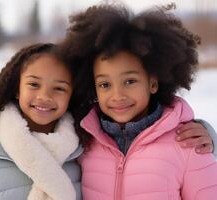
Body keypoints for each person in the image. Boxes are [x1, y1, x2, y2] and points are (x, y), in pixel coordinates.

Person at [60, 4, 217, 199]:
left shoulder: (188, 143)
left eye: (130, 81)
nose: (118, 95)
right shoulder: (83, 141)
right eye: (105, 85)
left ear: (153, 82)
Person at [0, 43, 82, 200]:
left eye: (59, 88)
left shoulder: (83, 154)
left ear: (72, 95)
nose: (44, 96)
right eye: (34, 84)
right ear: (17, 89)